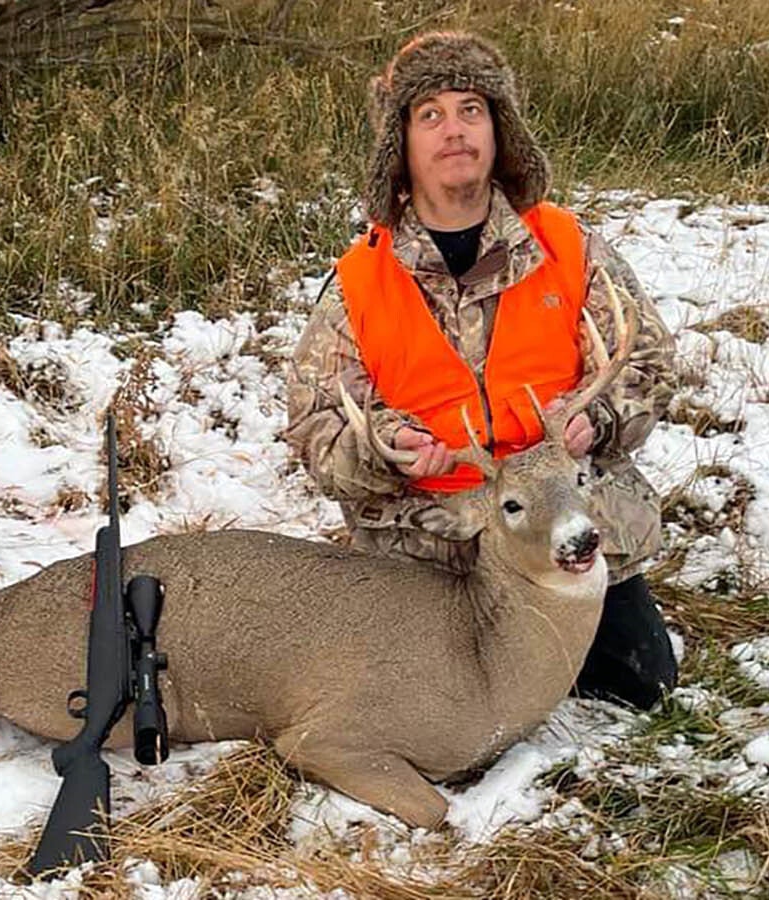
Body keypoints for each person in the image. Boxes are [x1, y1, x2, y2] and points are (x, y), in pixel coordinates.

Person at [284, 31, 678, 710]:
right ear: (401, 147)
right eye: (429, 114)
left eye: (472, 108)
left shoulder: (566, 245)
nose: (454, 130)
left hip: (559, 524)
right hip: (431, 544)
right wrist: (387, 452)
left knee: (642, 684)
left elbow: (648, 361)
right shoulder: (359, 283)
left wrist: (602, 417)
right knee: (422, 712)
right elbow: (317, 431)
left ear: (500, 131)